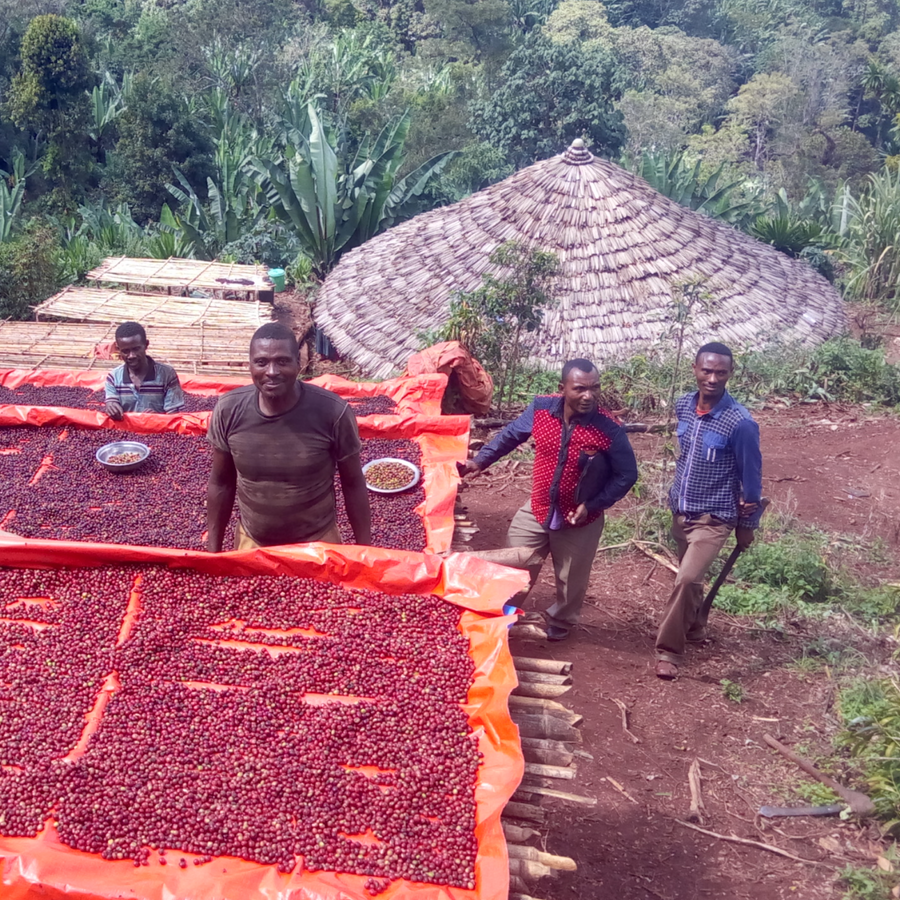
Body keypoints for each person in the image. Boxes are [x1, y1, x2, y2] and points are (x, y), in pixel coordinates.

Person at [460, 359, 638, 641]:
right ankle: (503, 612)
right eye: (580, 388)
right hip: (538, 505)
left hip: (580, 516)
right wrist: (480, 461)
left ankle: (562, 620)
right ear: (562, 388)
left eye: (594, 388)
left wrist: (593, 504)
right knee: (514, 563)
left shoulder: (608, 428)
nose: (588, 396)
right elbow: (510, 435)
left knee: (571, 578)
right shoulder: (542, 408)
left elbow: (627, 474)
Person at [206, 322, 372, 551]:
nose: (271, 372)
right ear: (250, 365)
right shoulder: (228, 409)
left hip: (318, 544)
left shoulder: (333, 412)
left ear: (299, 364)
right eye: (261, 362)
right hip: (252, 542)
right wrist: (213, 553)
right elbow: (221, 483)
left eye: (282, 361)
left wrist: (365, 551)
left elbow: (353, 484)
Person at [655, 342, 763, 681]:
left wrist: (748, 523)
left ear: (730, 374)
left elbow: (751, 477)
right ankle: (696, 625)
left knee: (686, 578)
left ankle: (668, 651)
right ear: (695, 369)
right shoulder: (684, 405)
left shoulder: (740, 423)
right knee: (693, 577)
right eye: (707, 370)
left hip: (714, 518)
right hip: (682, 511)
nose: (712, 378)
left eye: (720, 372)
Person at [104, 321, 185, 419]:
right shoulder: (113, 378)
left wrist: (156, 419)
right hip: (126, 432)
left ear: (146, 345)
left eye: (136, 349)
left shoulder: (167, 375)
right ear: (118, 349)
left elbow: (175, 417)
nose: (131, 356)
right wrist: (111, 406)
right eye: (125, 351)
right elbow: (111, 402)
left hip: (158, 432)